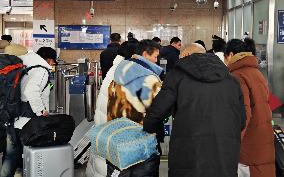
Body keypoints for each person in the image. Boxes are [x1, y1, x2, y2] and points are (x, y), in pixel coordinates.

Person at [143, 43, 246, 177]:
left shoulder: (177, 76)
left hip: (188, 157)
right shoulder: (231, 80)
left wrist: (151, 134)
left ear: (185, 55)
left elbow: (156, 114)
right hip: (224, 156)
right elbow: (241, 121)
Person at [107, 39, 163, 177]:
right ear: (145, 54)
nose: (156, 61)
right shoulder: (149, 79)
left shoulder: (118, 73)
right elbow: (161, 107)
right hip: (141, 142)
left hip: (116, 138)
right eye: (155, 57)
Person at [1, 45, 56, 177]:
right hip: (27, 120)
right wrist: (41, 111)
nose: (53, 64)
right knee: (23, 155)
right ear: (49, 60)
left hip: (12, 115)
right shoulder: (41, 70)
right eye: (54, 61)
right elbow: (31, 91)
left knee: (10, 155)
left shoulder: (26, 64)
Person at [86, 41, 138, 177]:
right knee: (109, 166)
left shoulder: (116, 67)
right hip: (112, 127)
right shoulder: (124, 71)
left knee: (102, 162)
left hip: (106, 124)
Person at [224, 39, 275, 177]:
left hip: (248, 147)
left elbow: (243, 115)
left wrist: (230, 146)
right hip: (262, 140)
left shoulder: (237, 76)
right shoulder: (257, 73)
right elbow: (271, 102)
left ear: (231, 55)